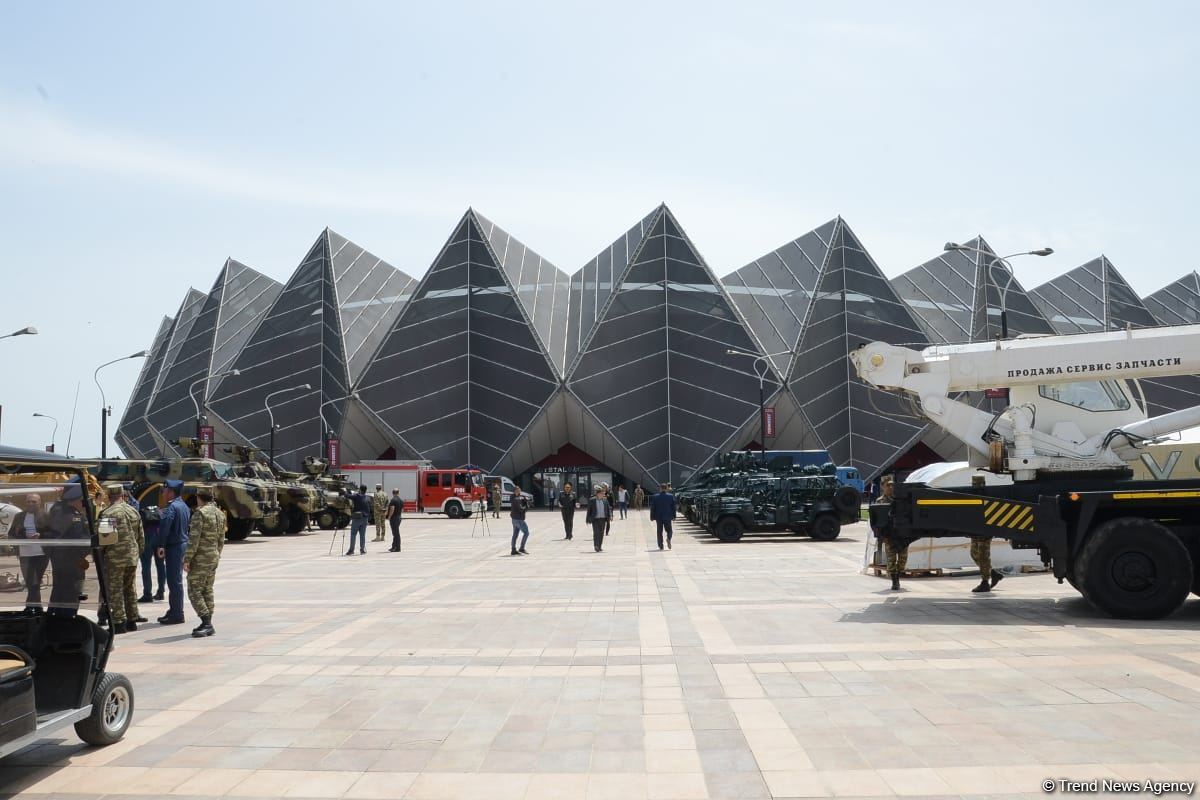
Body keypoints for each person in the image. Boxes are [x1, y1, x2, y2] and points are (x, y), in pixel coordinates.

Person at [99, 484, 144, 633]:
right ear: (122, 494)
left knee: (115, 590)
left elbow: (106, 540)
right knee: (129, 588)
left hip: (115, 558)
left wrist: (100, 555)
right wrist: (137, 553)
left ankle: (119, 622)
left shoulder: (108, 513)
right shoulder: (133, 511)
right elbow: (141, 537)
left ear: (109, 495)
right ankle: (132, 620)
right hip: (132, 556)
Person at [184, 488, 226, 637]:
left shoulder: (200, 513)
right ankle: (207, 622)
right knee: (207, 589)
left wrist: (187, 559)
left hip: (201, 557)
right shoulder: (220, 513)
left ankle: (206, 623)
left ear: (198, 497)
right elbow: (222, 538)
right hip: (213, 556)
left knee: (194, 590)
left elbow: (194, 539)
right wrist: (217, 554)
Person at [45, 481, 90, 618]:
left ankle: (54, 618)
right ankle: (67, 621)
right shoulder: (73, 516)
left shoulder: (57, 509)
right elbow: (79, 539)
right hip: (72, 561)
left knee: (59, 590)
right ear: (75, 500)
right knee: (71, 593)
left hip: (59, 559)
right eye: (81, 500)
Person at [156, 479, 191, 624]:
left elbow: (165, 527)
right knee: (175, 580)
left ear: (170, 492)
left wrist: (161, 545)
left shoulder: (171, 507)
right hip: (182, 544)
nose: (163, 494)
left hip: (174, 546)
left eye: (164, 491)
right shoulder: (183, 506)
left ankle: (177, 613)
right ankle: (174, 609)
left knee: (174, 581)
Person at [9, 493, 49, 611]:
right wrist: (21, 538)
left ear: (39, 502)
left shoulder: (45, 515)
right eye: (28, 501)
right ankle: (36, 607)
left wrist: (40, 535)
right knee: (31, 582)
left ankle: (31, 607)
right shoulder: (19, 516)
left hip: (41, 554)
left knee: (34, 582)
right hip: (25, 554)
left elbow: (53, 533)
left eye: (33, 501)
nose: (30, 504)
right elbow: (11, 534)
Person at [871, 476, 906, 591]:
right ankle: (895, 581)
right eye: (887, 485)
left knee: (903, 560)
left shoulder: (899, 499)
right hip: (889, 536)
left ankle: (898, 574)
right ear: (882, 487)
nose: (890, 487)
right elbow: (875, 521)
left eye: (892, 485)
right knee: (891, 560)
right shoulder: (879, 501)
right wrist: (881, 536)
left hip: (901, 535)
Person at [138, 498, 166, 603]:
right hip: (159, 537)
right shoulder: (160, 511)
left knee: (146, 566)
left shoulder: (142, 511)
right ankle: (161, 592)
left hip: (147, 538)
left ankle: (147, 594)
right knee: (160, 565)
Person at [649, 483, 677, 550]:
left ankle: (661, 546)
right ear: (666, 488)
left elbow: (652, 508)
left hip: (658, 517)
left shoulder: (655, 496)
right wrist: (674, 516)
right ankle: (668, 538)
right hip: (668, 516)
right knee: (669, 530)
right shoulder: (670, 496)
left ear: (660, 488)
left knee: (659, 531)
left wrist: (652, 517)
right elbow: (673, 507)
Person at [585, 487, 611, 553]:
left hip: (603, 519)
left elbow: (608, 509)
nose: (603, 494)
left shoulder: (605, 500)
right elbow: (589, 510)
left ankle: (599, 546)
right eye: (602, 493)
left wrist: (610, 516)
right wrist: (587, 519)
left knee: (601, 533)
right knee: (596, 533)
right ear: (598, 494)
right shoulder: (592, 500)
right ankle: (596, 546)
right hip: (595, 519)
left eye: (603, 493)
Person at [346, 485, 370, 555]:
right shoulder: (367, 498)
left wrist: (345, 491)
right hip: (365, 518)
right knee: (362, 535)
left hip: (357, 518)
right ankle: (362, 549)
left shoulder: (357, 496)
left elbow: (347, 496)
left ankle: (351, 550)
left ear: (360, 490)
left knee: (353, 534)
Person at [510, 489, 530, 556]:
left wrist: (525, 502)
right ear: (515, 491)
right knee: (526, 533)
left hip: (514, 519)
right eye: (518, 491)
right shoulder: (516, 499)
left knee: (515, 535)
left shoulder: (514, 498)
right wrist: (526, 506)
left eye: (519, 491)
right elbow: (521, 509)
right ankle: (522, 548)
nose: (519, 492)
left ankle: (513, 550)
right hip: (519, 519)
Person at [386, 488, 403, 552]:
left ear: (393, 493)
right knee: (395, 533)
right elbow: (401, 509)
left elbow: (392, 509)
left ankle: (398, 548)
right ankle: (394, 546)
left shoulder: (393, 500)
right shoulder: (401, 500)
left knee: (396, 533)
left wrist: (389, 516)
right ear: (398, 493)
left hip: (394, 518)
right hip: (399, 517)